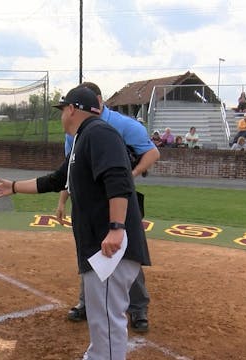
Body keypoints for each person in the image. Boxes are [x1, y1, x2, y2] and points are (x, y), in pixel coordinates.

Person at [0, 86, 150, 360]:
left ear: (73, 109)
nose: (61, 116)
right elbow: (55, 180)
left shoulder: (99, 133)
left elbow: (118, 181)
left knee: (108, 319)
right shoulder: (83, 139)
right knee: (100, 315)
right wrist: (15, 186)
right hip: (98, 245)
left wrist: (116, 228)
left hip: (109, 246)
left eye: (63, 109)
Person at [58, 82, 159, 334]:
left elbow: (152, 153)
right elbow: (69, 169)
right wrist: (62, 200)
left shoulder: (122, 124)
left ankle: (137, 308)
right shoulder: (75, 130)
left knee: (124, 252)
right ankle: (86, 302)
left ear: (99, 100)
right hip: (90, 201)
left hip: (118, 199)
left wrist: (128, 175)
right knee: (91, 251)